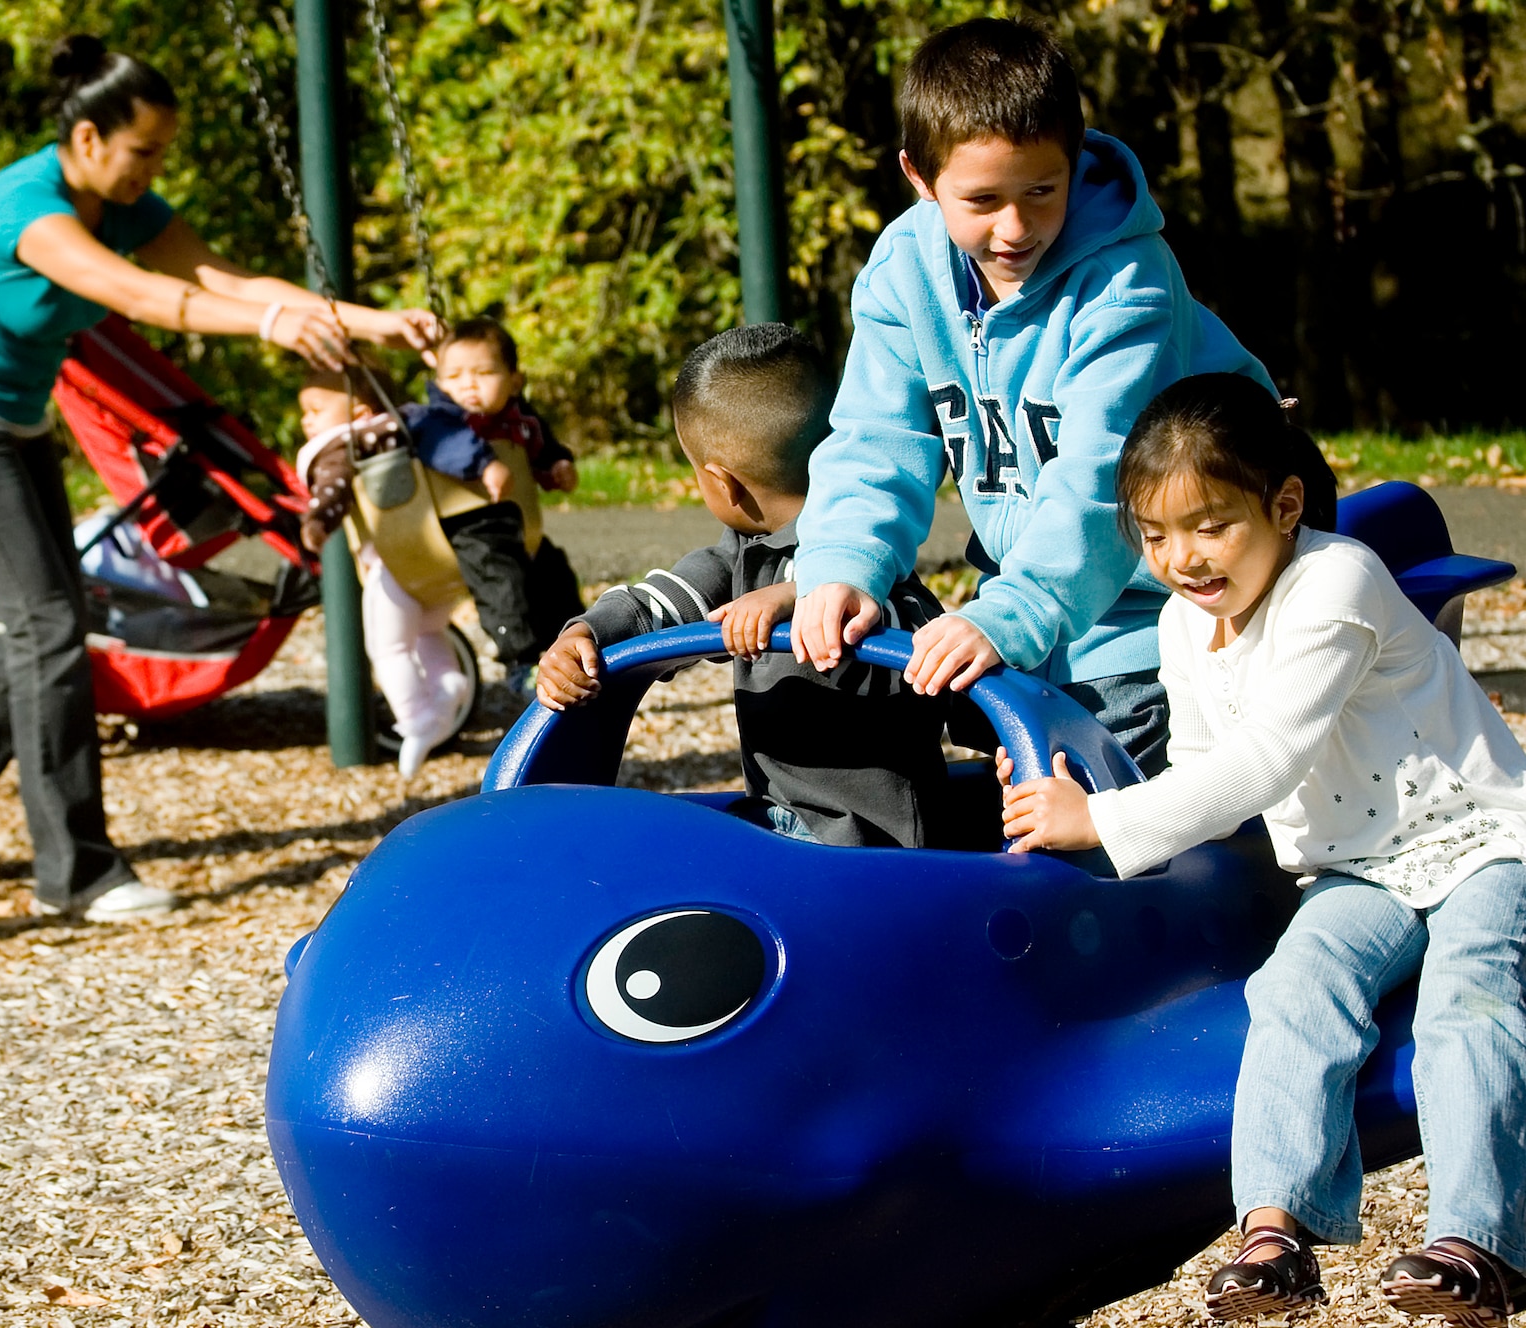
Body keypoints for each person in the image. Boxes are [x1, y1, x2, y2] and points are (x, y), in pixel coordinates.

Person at [0, 34, 440, 921]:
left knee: (37, 625)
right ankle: (78, 874)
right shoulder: (30, 211)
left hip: (13, 422)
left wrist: (373, 321)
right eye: (142, 152)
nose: (151, 169)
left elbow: (224, 277)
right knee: (50, 627)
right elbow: (143, 298)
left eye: (161, 151)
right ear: (88, 139)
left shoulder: (121, 204)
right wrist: (274, 326)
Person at [998, 374, 1526, 1325]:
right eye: (1155, 535)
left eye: (1210, 525)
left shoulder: (1339, 579)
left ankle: (1476, 1241)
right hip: (1359, 868)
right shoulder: (1181, 624)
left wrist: (1104, 826)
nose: (1183, 559)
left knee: (1468, 1000)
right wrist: (1087, 805)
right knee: (1289, 994)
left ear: (1284, 508)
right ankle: (1275, 1233)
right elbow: (1203, 771)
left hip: (1486, 841)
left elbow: (1268, 759)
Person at [789, 18, 1273, 777]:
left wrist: (1014, 615)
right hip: (1039, 605)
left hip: (1167, 611)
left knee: (1098, 797)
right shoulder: (903, 273)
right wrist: (845, 563)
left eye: (1042, 191)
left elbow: (1102, 478)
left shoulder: (1124, 284)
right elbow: (874, 441)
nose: (1014, 227)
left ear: (1074, 166)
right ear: (919, 178)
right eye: (981, 200)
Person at [537, 324, 948, 847]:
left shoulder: (867, 555)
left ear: (723, 481)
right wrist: (586, 635)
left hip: (873, 849)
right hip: (783, 821)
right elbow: (660, 602)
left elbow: (916, 631)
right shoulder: (741, 553)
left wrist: (802, 596)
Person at [294, 369, 471, 779]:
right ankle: (448, 684)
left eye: (316, 410)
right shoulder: (404, 430)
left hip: (395, 566)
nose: (307, 421)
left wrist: (317, 525)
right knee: (429, 633)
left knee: (389, 650)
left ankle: (417, 720)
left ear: (359, 411)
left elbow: (332, 488)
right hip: (438, 557)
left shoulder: (344, 444)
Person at [403, 318, 585, 695]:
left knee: (555, 576)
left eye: (483, 372)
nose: (467, 384)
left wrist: (557, 466)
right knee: (502, 583)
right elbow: (444, 443)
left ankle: (574, 645)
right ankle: (520, 662)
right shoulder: (440, 416)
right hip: (470, 529)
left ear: (515, 382)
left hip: (524, 528)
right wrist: (484, 463)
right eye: (453, 376)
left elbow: (543, 448)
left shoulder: (522, 420)